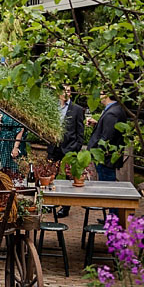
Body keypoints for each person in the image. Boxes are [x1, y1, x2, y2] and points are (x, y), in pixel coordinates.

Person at [49, 85, 85, 217]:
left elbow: (80, 132)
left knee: (69, 178)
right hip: (54, 147)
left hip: (69, 148)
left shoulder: (77, 109)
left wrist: (76, 148)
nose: (66, 93)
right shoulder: (52, 108)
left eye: (69, 91)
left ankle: (65, 207)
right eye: (63, 90)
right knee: (50, 175)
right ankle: (50, 202)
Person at [87, 92, 127, 181]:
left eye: (100, 94)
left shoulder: (112, 113)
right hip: (107, 158)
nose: (99, 96)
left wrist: (96, 153)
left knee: (106, 186)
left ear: (107, 95)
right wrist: (97, 124)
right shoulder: (115, 109)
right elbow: (111, 129)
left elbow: (107, 137)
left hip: (105, 159)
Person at [0, 112, 25, 180]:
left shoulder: (16, 114)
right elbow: (2, 130)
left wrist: (15, 147)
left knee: (12, 164)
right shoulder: (4, 113)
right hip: (2, 142)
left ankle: (13, 181)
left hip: (11, 142)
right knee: (1, 163)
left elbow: (20, 131)